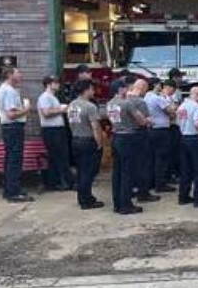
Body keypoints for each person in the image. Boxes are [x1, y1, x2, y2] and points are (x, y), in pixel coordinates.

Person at [107, 79, 146, 215]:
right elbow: (140, 120)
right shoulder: (126, 103)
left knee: (117, 172)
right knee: (127, 173)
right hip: (127, 137)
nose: (127, 90)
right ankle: (126, 204)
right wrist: (145, 120)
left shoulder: (110, 104)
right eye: (125, 88)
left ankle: (117, 203)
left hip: (115, 135)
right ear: (120, 89)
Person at [67, 79, 105, 210]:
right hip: (88, 140)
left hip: (76, 139)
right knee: (89, 172)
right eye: (92, 89)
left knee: (81, 171)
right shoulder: (90, 107)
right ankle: (86, 200)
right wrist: (99, 142)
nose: (93, 91)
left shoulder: (71, 105)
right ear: (86, 90)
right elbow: (95, 127)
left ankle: (82, 197)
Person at [0, 67, 33, 203]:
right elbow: (11, 114)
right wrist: (26, 109)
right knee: (14, 160)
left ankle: (9, 189)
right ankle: (14, 192)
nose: (21, 75)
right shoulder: (9, 91)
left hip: (8, 128)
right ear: (10, 75)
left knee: (10, 159)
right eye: (18, 73)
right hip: (13, 127)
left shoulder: (4, 89)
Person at [38, 75, 73, 191]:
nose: (58, 84)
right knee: (58, 156)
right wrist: (61, 109)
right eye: (56, 82)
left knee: (60, 156)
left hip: (57, 129)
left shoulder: (53, 97)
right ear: (49, 84)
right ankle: (61, 181)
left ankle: (59, 181)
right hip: (51, 130)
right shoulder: (45, 97)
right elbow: (46, 112)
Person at [128, 80, 160, 203]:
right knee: (143, 165)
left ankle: (131, 189)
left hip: (127, 136)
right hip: (140, 134)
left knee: (131, 165)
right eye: (146, 89)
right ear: (142, 88)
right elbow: (147, 120)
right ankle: (143, 193)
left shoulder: (124, 99)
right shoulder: (140, 102)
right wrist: (150, 122)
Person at [146, 79, 178, 193]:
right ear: (155, 85)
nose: (162, 86)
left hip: (150, 129)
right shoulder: (157, 98)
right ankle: (161, 184)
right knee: (162, 158)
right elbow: (171, 111)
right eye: (160, 84)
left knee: (152, 158)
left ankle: (151, 182)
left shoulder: (147, 96)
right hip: (161, 130)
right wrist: (173, 107)